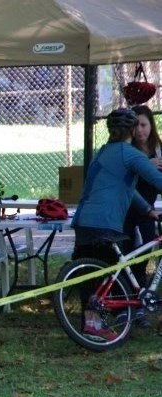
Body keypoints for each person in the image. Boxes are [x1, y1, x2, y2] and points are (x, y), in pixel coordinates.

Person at [72, 107, 162, 340]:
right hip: (106, 221)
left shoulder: (103, 152)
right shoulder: (130, 154)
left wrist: (148, 210)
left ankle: (91, 325)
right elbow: (157, 180)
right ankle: (106, 322)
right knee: (111, 275)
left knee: (91, 277)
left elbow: (127, 189)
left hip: (84, 220)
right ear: (132, 129)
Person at [121, 104, 162, 327]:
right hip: (129, 212)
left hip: (149, 213)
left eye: (144, 125)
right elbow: (126, 182)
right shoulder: (127, 150)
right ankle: (128, 306)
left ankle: (140, 305)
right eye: (135, 125)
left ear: (151, 126)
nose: (140, 130)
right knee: (129, 256)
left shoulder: (158, 149)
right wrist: (146, 165)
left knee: (145, 258)